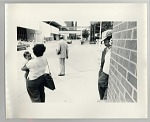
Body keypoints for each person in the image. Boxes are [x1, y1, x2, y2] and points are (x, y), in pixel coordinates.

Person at [98, 30, 112, 100]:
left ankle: (103, 99)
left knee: (103, 85)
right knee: (100, 84)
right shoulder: (105, 50)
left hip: (108, 74)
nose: (104, 42)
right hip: (103, 71)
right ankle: (102, 99)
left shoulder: (112, 50)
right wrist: (100, 72)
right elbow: (102, 63)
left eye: (105, 40)